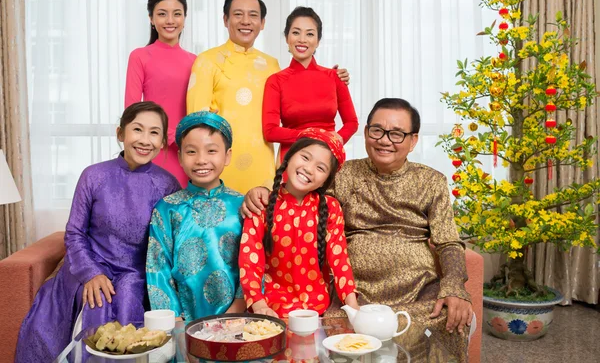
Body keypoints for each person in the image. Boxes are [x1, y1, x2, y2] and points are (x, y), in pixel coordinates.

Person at [242, 98, 473, 361]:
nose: (385, 140)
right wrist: (260, 190)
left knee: (449, 317)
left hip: (418, 291)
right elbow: (299, 186)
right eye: (377, 130)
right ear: (365, 133)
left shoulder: (432, 181)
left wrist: (454, 286)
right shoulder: (342, 173)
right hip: (355, 293)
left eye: (397, 134)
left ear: (413, 140)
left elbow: (448, 243)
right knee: (335, 327)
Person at [16, 102, 181, 362]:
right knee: (97, 305)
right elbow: (74, 233)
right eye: (137, 129)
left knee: (128, 305)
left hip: (136, 271)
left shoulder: (167, 183)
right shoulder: (93, 176)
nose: (145, 140)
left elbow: (169, 242)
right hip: (92, 262)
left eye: (154, 133)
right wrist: (91, 273)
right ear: (120, 134)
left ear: (163, 142)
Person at [186, 0, 350, 193]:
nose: (246, 21)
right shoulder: (206, 61)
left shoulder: (271, 64)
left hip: (263, 166)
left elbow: (298, 99)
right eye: (238, 14)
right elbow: (194, 123)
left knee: (265, 221)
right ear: (225, 20)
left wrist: (334, 78)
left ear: (262, 23)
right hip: (221, 164)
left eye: (253, 15)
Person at [238, 128, 359, 318]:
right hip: (271, 310)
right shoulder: (262, 203)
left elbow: (340, 259)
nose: (309, 169)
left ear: (325, 181)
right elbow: (249, 260)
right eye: (305, 158)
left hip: (317, 310)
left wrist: (353, 308)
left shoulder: (331, 208)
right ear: (289, 157)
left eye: (321, 168)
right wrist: (259, 305)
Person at [146, 111, 245, 320]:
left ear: (227, 156)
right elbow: (158, 266)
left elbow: (254, 263)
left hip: (237, 317)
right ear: (180, 157)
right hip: (184, 319)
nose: (201, 160)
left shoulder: (243, 206)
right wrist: (173, 318)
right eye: (191, 152)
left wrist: (238, 307)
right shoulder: (166, 209)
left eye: (211, 151)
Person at [262, 7, 358, 161]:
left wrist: (337, 140)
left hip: (329, 155)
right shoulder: (276, 81)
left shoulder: (335, 76)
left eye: (310, 34)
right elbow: (270, 131)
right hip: (293, 158)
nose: (302, 39)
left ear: (318, 41)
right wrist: (314, 136)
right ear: (287, 38)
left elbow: (352, 122)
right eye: (296, 32)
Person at [125, 0, 196, 187]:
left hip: (185, 151)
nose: (170, 20)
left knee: (181, 212)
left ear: (185, 18)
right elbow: (131, 111)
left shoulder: (197, 61)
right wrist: (164, 135)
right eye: (162, 14)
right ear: (151, 18)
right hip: (151, 147)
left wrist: (188, 141)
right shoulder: (139, 56)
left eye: (177, 14)